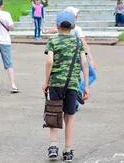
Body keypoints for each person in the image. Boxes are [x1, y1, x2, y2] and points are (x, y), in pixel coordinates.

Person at [42, 11, 90, 162]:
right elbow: (84, 63)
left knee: (54, 112)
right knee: (69, 116)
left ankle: (53, 146)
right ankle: (68, 150)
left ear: (56, 26)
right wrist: (86, 86)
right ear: (74, 26)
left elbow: (49, 61)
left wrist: (46, 81)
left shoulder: (53, 40)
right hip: (72, 83)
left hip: (56, 82)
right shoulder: (77, 41)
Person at [64, 6, 97, 110]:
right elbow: (84, 44)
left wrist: (46, 32)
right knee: (92, 75)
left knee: (76, 78)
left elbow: (54, 30)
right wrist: (91, 59)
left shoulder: (62, 28)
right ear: (74, 17)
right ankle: (79, 90)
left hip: (68, 57)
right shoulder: (77, 29)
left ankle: (74, 104)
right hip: (80, 56)